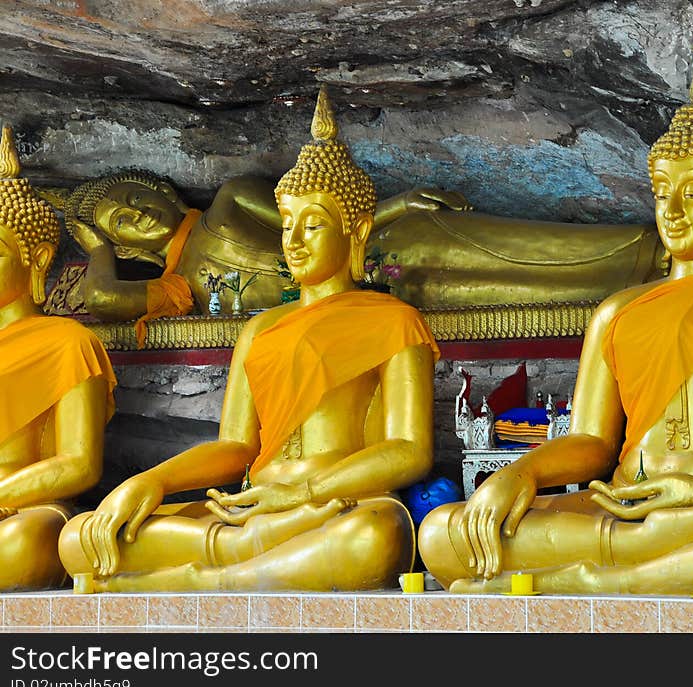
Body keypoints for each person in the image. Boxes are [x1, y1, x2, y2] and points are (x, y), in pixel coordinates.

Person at [417, 41, 693, 599]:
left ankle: (591, 580)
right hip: (622, 509)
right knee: (442, 534)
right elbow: (593, 441)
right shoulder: (618, 311)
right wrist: (519, 474)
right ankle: (643, 563)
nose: (671, 209)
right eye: (662, 191)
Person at [57, 86, 440, 592]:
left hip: (332, 507)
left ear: (358, 230)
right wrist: (151, 480)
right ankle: (234, 568)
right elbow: (236, 445)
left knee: (376, 536)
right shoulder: (261, 328)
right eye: (286, 225)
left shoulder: (394, 319)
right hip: (249, 509)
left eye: (314, 225)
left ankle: (200, 580)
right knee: (78, 539)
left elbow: (411, 451)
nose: (294, 241)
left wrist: (305, 490)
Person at [63, 157, 470, 347]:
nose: (138, 213)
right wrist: (99, 250)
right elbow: (102, 298)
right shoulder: (178, 287)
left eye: (135, 197)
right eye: (121, 223)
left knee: (522, 253)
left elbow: (317, 220)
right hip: (381, 300)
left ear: (164, 191)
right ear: (126, 248)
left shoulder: (231, 197)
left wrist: (400, 204)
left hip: (393, 247)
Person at [0, 124, 116, 591]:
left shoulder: (67, 341)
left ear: (39, 259)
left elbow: (81, 463)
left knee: (27, 543)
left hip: (24, 509)